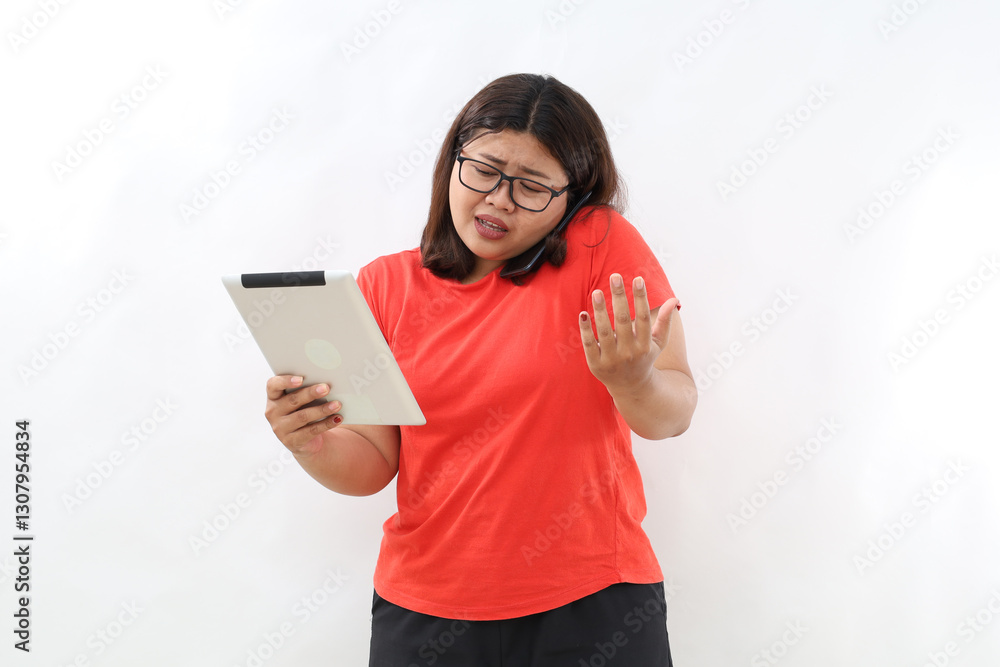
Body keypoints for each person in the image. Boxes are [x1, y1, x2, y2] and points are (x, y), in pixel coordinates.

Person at [263, 73, 697, 666]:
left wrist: (634, 381)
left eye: (532, 187)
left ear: (573, 198)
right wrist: (309, 441)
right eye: (485, 171)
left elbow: (672, 415)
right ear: (453, 161)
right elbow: (372, 463)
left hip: (593, 600)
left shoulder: (599, 245)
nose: (499, 200)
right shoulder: (384, 285)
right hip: (424, 612)